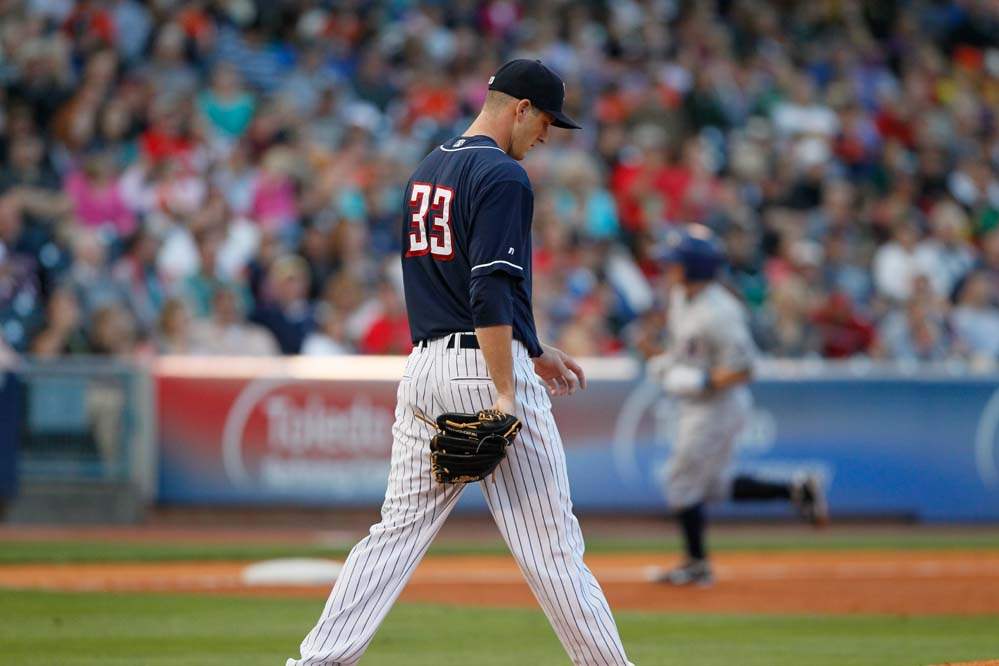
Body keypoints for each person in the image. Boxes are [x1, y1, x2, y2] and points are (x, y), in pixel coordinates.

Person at [286, 59, 634, 666]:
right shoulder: (503, 175)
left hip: (423, 368)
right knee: (551, 550)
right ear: (521, 108)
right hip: (480, 367)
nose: (547, 136)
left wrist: (534, 346)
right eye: (547, 121)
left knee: (392, 537)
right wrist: (504, 390)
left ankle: (313, 663)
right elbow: (489, 287)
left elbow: (452, 283)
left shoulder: (427, 169)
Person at [647, 225, 828, 588]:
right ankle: (795, 489)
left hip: (718, 405)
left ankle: (697, 565)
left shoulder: (721, 311)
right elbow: (690, 349)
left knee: (679, 480)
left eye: (675, 262)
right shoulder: (683, 297)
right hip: (702, 403)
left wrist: (702, 380)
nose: (668, 268)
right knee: (711, 486)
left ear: (693, 266)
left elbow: (745, 368)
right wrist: (671, 362)